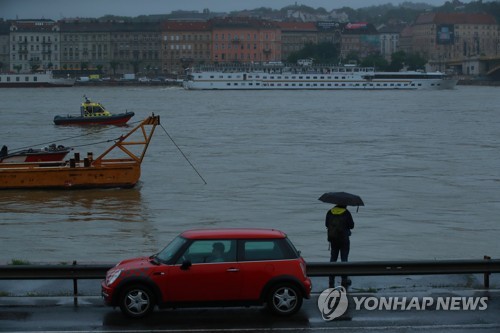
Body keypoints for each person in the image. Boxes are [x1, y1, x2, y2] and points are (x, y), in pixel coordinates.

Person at [325, 204, 354, 288]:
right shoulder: (346, 213)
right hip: (344, 239)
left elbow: (326, 224)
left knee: (333, 258)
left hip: (333, 239)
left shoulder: (330, 212)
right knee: (344, 259)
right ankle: (344, 280)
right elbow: (352, 226)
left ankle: (331, 280)